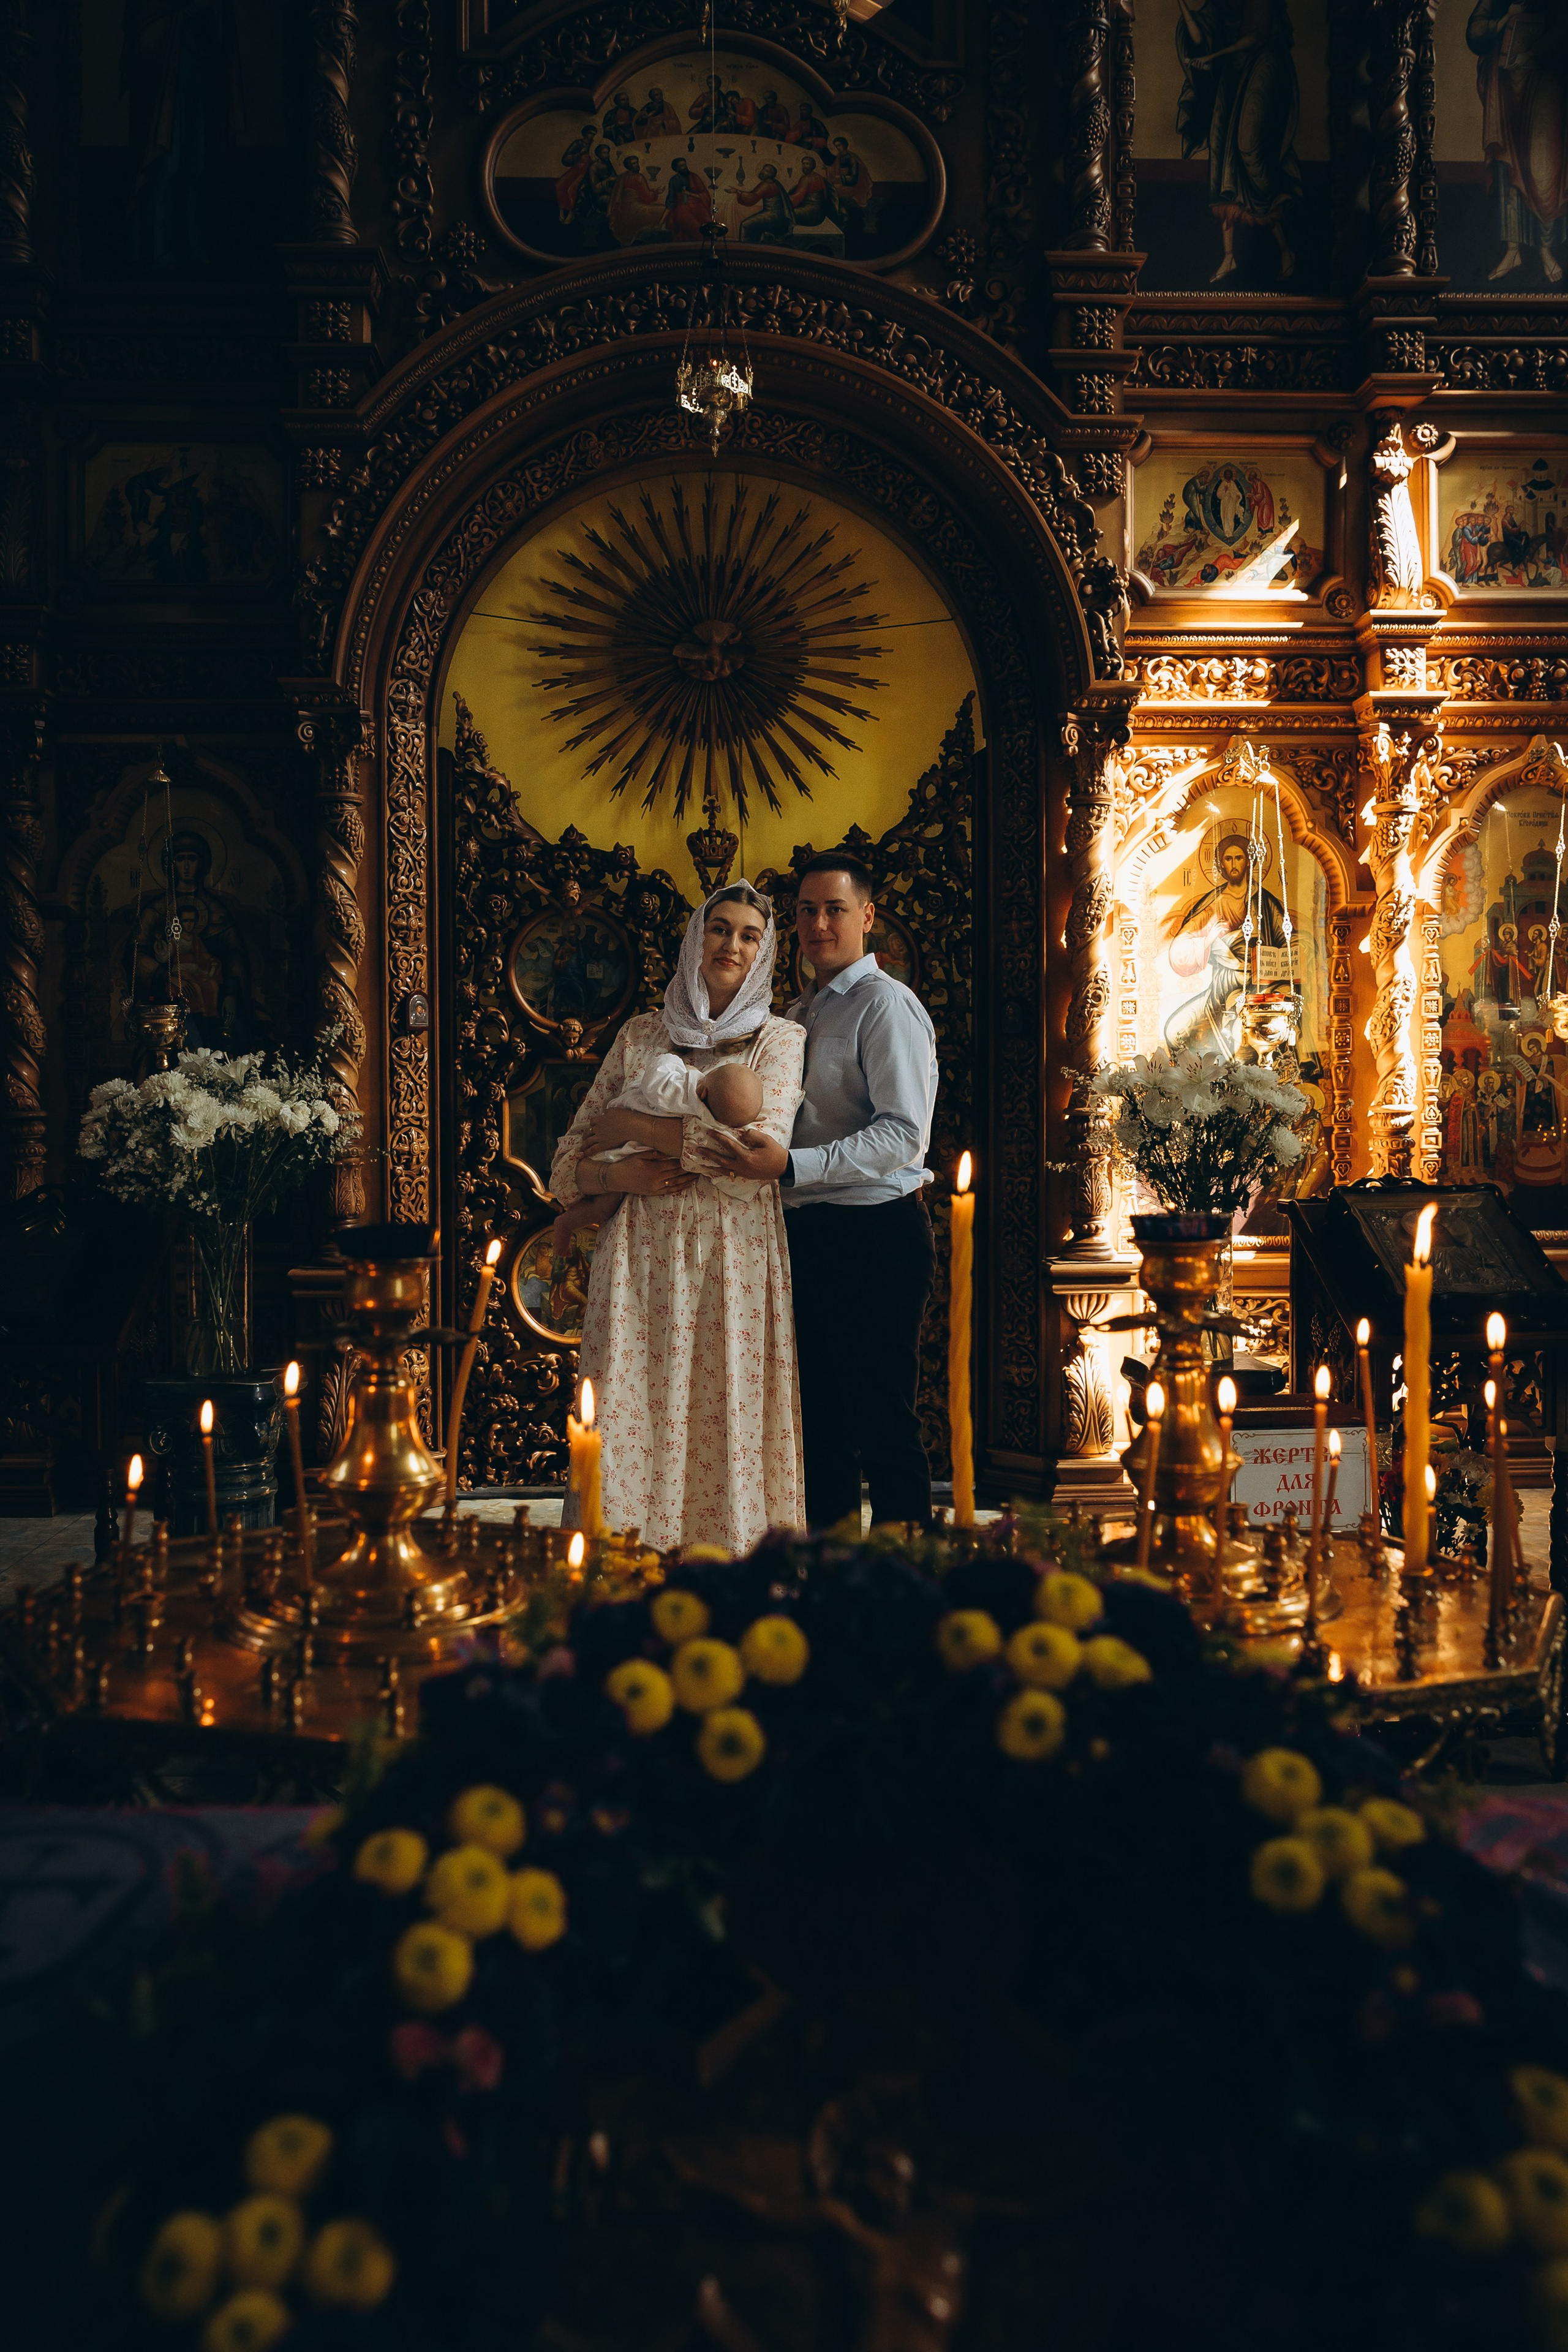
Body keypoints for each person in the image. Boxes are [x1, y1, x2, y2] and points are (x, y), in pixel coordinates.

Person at [549, 884, 805, 1553]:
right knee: (630, 1410)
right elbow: (569, 1156)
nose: (731, 945)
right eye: (719, 930)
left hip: (735, 1255)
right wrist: (615, 1174)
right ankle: (620, 1576)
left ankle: (729, 1586)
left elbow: (751, 1156)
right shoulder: (641, 1033)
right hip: (638, 1252)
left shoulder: (779, 1041)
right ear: (696, 941)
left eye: (749, 935)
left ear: (765, 953)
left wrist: (631, 1124)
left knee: (727, 1416)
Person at [706, 854, 938, 1531]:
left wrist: (791, 1167)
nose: (817, 923)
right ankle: (828, 1581)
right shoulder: (798, 1011)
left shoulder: (885, 1005)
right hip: (803, 1235)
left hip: (874, 1234)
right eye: (806, 911)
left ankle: (906, 1581)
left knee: (882, 1418)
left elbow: (902, 1135)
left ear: (866, 916)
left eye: (834, 909)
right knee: (815, 1425)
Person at [550, 1057, 764, 1252]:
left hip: (625, 1150)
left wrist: (674, 1062)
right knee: (604, 1206)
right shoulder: (703, 1111)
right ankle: (566, 1223)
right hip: (620, 1146)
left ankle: (566, 1223)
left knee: (604, 1206)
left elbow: (656, 1074)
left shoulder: (690, 1092)